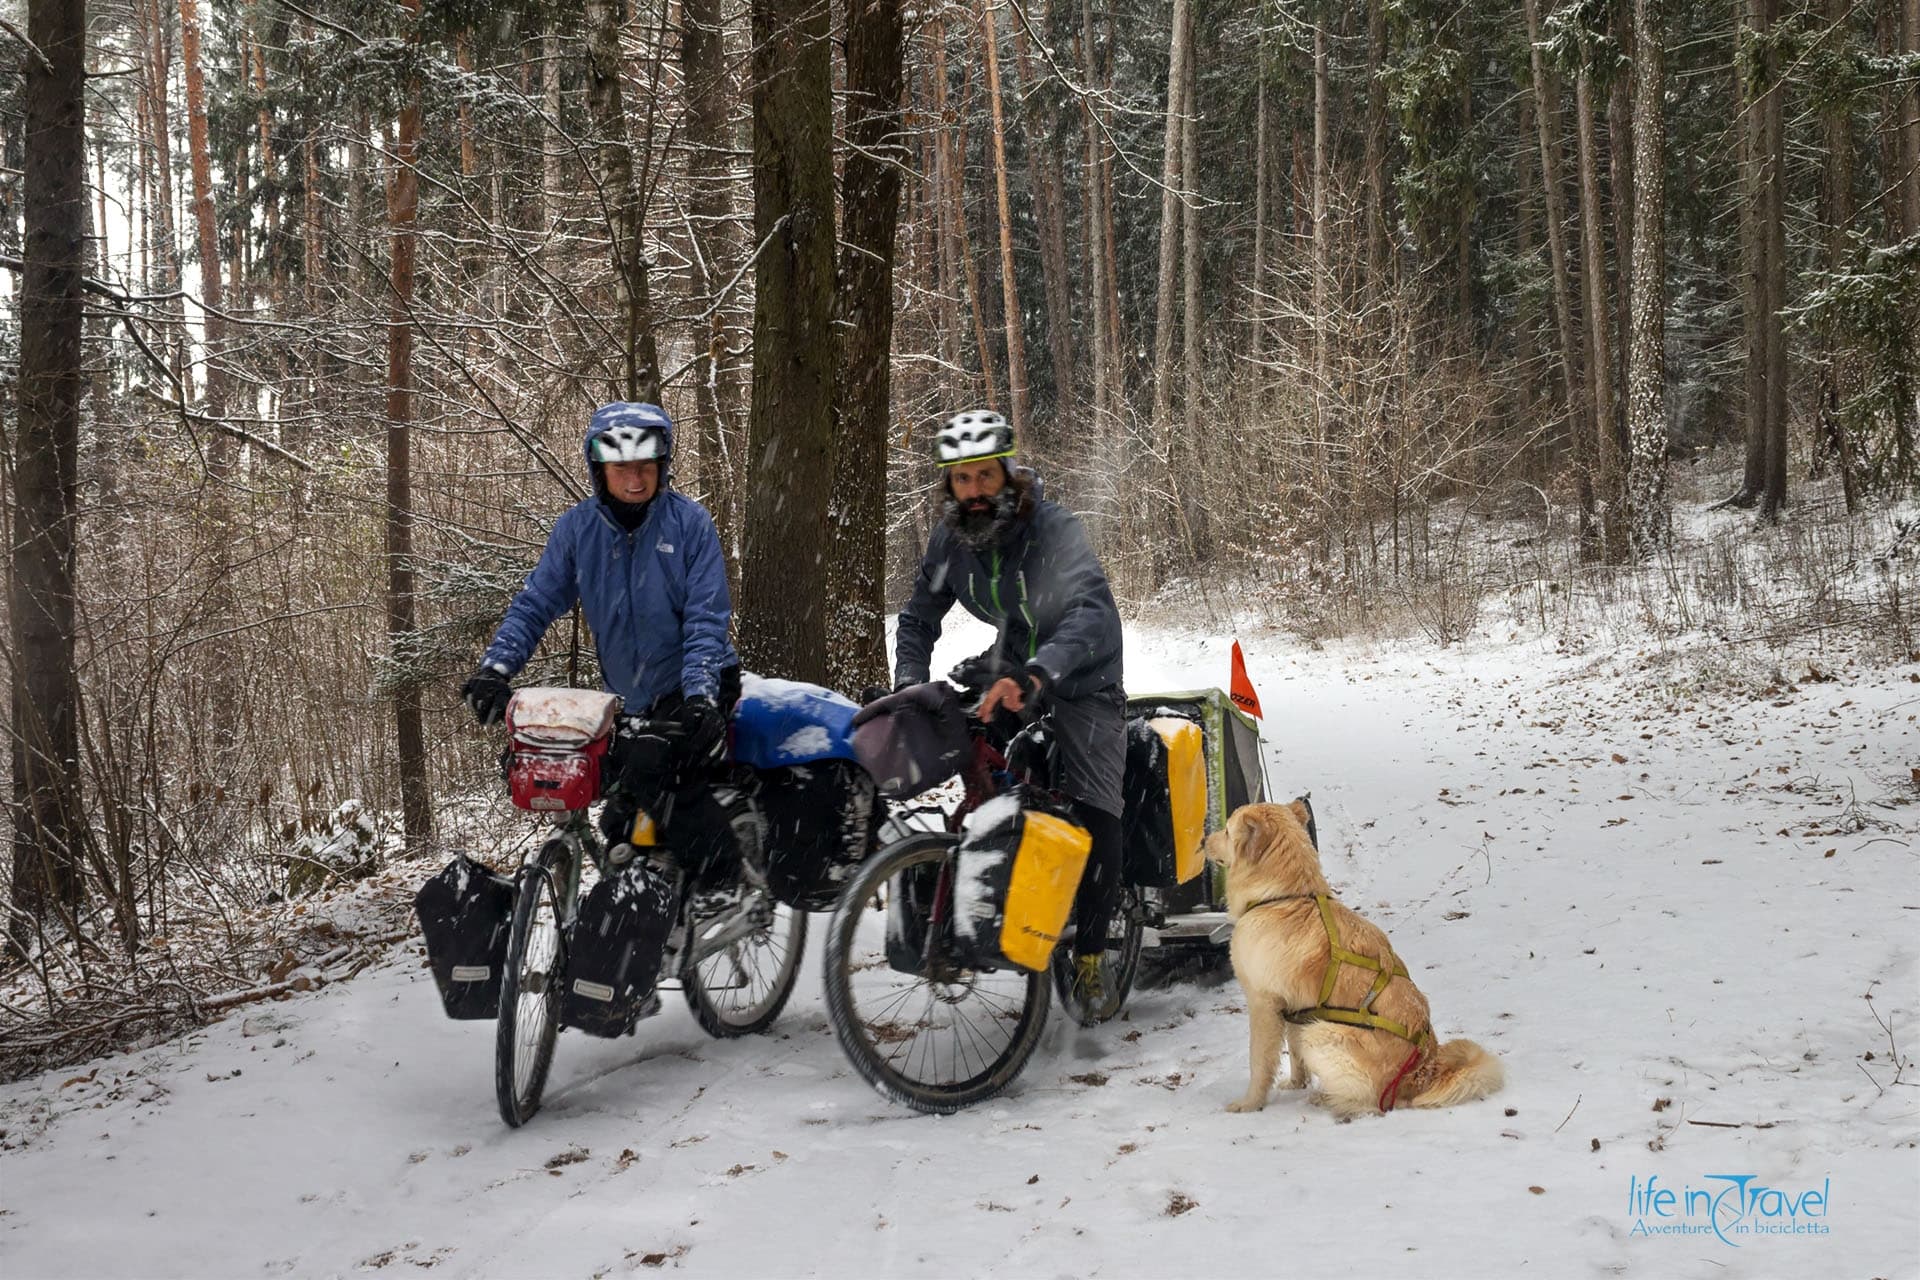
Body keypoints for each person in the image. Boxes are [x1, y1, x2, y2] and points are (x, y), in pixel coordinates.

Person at [893, 409, 1127, 1022]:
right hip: (1012, 664)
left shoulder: (1052, 529)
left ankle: (1094, 955)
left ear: (1007, 474)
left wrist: (1040, 672)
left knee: (1098, 808)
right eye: (961, 480)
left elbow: (1090, 614)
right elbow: (918, 619)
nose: (973, 492)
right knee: (972, 752)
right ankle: (989, 888)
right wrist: (910, 683)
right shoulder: (951, 539)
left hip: (1082, 673)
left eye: (984, 477)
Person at [461, 402, 746, 875]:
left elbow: (706, 619)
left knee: (680, 800)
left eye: (645, 467)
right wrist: (495, 669)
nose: (635, 480)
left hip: (700, 682)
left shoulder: (689, 524)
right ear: (600, 470)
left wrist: (701, 697)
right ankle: (643, 913)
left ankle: (722, 891)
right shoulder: (578, 532)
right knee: (622, 817)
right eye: (621, 469)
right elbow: (535, 604)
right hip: (632, 698)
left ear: (662, 465)